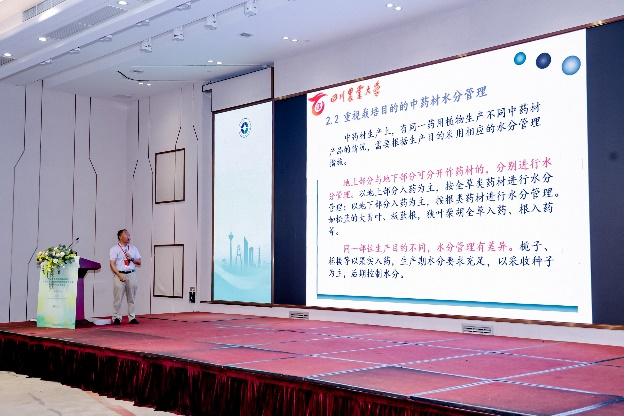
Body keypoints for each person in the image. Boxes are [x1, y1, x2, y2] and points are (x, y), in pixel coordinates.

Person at [110, 229, 142, 325]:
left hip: (131, 274)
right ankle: (116, 318)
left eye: (129, 235)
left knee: (131, 297)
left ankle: (132, 317)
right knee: (118, 298)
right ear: (120, 237)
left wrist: (131, 259)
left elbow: (139, 262)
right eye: (126, 235)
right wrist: (119, 275)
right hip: (119, 274)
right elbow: (112, 264)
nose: (128, 237)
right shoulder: (114, 249)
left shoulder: (133, 248)